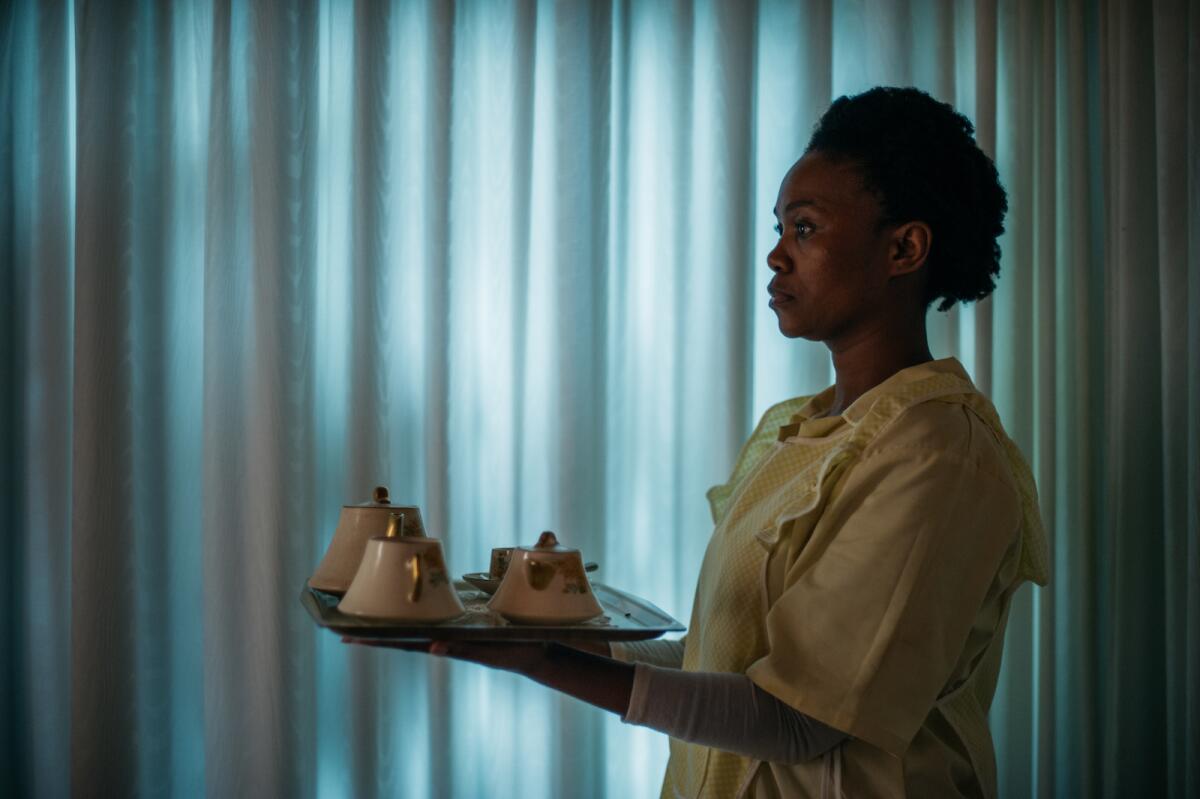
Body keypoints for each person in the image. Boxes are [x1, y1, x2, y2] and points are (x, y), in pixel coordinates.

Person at [345, 86, 1049, 798]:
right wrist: (533, 627)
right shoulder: (799, 428)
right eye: (779, 228)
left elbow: (800, 720)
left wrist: (539, 660)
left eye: (805, 229)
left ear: (904, 247)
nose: (776, 255)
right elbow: (723, 664)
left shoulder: (937, 454)